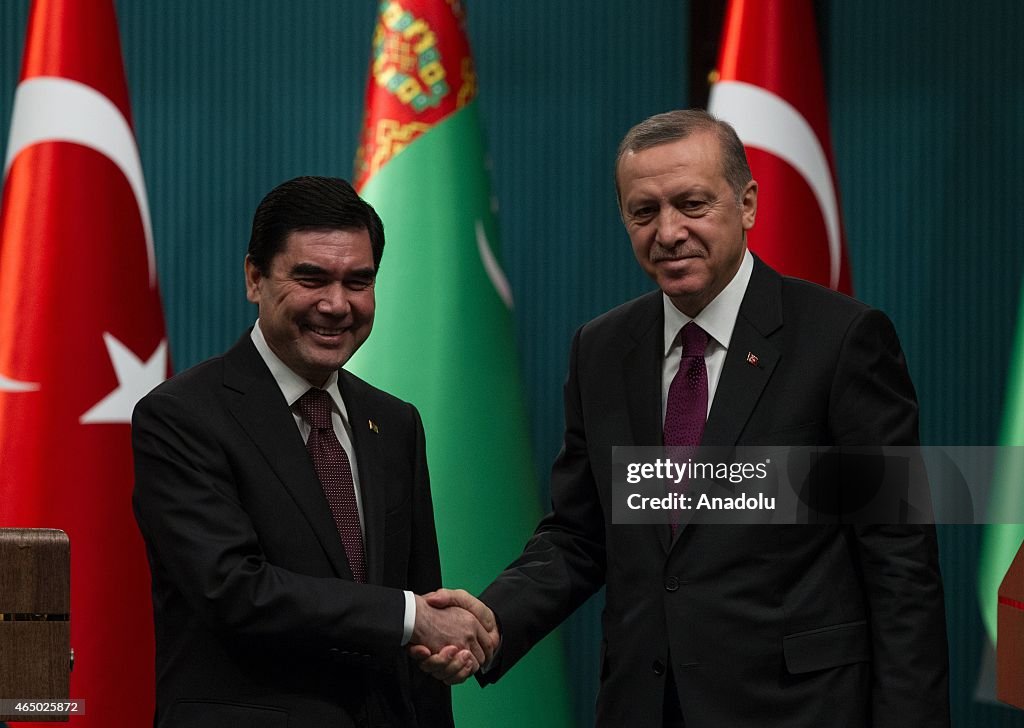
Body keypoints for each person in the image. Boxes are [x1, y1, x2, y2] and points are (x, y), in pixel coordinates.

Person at [416, 110, 950, 727]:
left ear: (746, 204)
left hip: (798, 710)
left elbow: (900, 560)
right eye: (644, 212)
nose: (668, 232)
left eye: (692, 204)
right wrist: (491, 620)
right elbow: (581, 535)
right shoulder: (602, 348)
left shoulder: (842, 340)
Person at [132, 176, 497, 728]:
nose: (336, 305)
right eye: (311, 278)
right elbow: (233, 589)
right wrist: (408, 617)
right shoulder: (182, 415)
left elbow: (422, 606)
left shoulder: (395, 423)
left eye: (358, 281)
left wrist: (436, 641)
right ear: (255, 278)